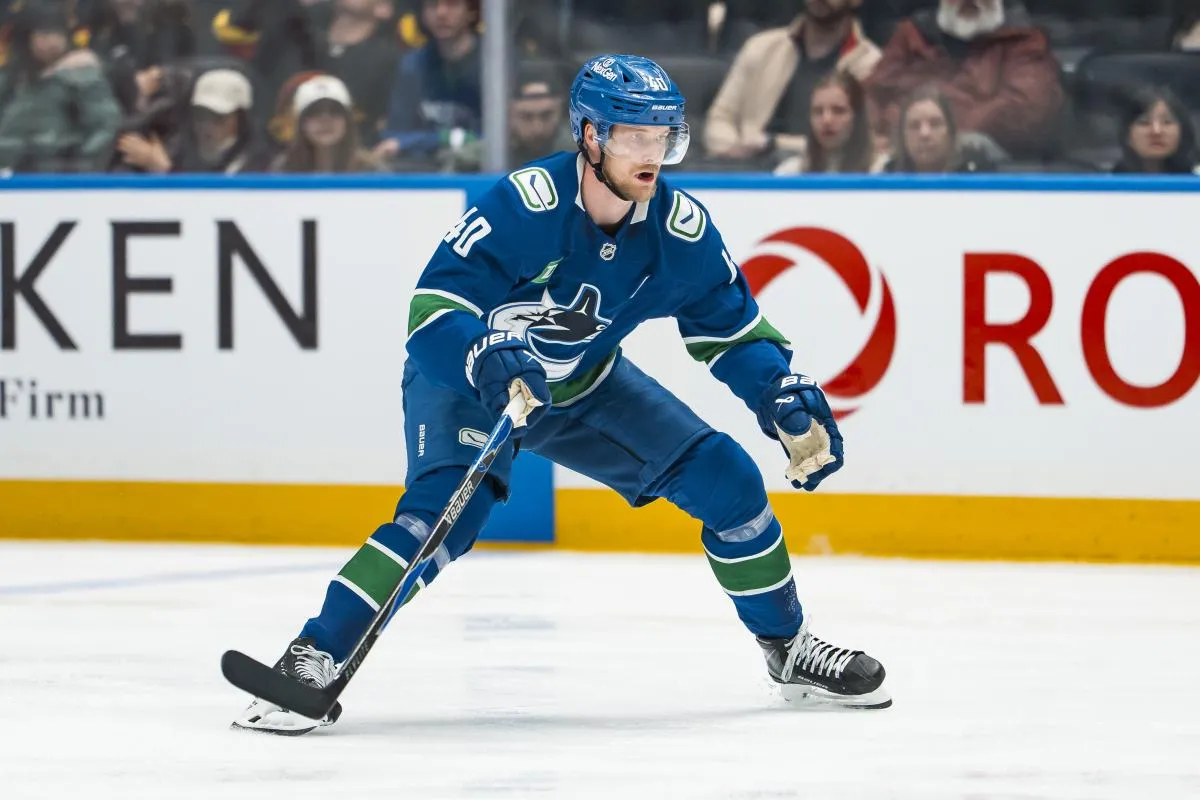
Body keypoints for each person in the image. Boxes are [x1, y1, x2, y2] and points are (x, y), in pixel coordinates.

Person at [232, 53, 891, 735]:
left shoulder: (680, 232)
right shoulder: (527, 205)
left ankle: (788, 648)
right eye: (634, 136)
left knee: (730, 482)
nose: (652, 154)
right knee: (438, 522)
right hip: (469, 381)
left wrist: (776, 389)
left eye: (662, 137)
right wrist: (483, 356)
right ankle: (313, 656)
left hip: (584, 385)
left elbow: (731, 330)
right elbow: (432, 313)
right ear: (591, 136)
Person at [772, 71, 886, 174]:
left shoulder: (881, 170)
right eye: (818, 112)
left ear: (857, 117)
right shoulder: (791, 172)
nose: (827, 120)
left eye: (838, 111)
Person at [271, 74, 385, 173]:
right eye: (314, 112)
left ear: (348, 122)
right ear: (301, 124)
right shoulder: (285, 168)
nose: (325, 120)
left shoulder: (372, 169)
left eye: (335, 111)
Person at [885, 84, 1006, 173]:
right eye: (914, 126)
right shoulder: (889, 176)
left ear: (950, 131)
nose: (924, 134)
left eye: (935, 124)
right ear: (902, 136)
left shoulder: (978, 170)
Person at [1111, 86, 1200, 175]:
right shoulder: (1109, 180)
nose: (1156, 131)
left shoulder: (1196, 177)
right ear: (1127, 134)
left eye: (1167, 122)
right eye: (1144, 122)